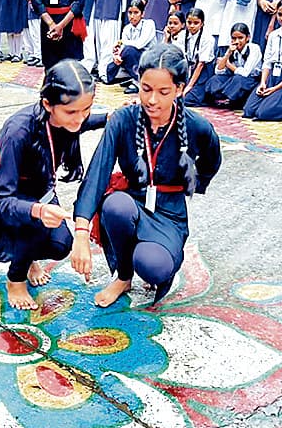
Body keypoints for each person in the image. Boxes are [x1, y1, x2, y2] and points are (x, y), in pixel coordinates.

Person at [70, 43, 221, 306]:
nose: (152, 100)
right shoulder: (123, 119)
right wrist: (81, 231)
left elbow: (212, 159)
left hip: (170, 212)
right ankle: (123, 276)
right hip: (133, 200)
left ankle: (155, 253)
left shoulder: (197, 126)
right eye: (146, 89)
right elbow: (98, 172)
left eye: (164, 92)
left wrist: (194, 183)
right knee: (116, 205)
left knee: (152, 266)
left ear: (179, 89)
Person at [0, 61, 106, 309]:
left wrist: (111, 116)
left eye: (87, 109)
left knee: (61, 245)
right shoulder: (19, 131)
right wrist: (37, 210)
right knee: (37, 223)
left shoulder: (66, 119)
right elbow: (1, 197)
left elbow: (83, 120)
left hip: (36, 185)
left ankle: (27, 257)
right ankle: (15, 279)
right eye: (72, 112)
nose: (80, 118)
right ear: (47, 104)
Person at [207, 22, 263, 108]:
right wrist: (228, 54)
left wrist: (228, 64)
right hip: (233, 78)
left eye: (240, 38)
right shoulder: (231, 49)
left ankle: (230, 99)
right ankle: (222, 98)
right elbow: (218, 71)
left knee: (238, 79)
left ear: (248, 37)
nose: (237, 41)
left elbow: (245, 73)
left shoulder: (254, 49)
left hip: (250, 80)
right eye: (234, 38)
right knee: (215, 79)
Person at [112, 0, 156, 92]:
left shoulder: (149, 24)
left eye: (136, 12)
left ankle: (139, 82)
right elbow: (123, 47)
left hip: (149, 60)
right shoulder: (127, 28)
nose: (132, 16)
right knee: (113, 64)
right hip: (135, 59)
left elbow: (140, 44)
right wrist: (116, 54)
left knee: (129, 51)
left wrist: (121, 42)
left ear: (143, 14)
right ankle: (129, 77)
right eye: (130, 13)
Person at [179, 8, 216, 107]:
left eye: (196, 23)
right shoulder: (182, 35)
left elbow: (201, 64)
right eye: (189, 22)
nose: (192, 26)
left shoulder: (207, 39)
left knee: (186, 99)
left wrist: (189, 86)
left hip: (203, 71)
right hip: (188, 69)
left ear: (202, 24)